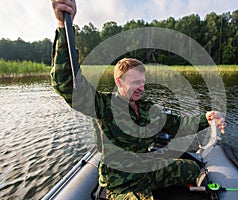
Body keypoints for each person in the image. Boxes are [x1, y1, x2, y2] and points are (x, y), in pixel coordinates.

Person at [51, 0, 226, 199]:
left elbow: (178, 124)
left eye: (143, 82)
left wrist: (208, 117)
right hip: (121, 183)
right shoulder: (103, 105)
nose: (141, 87)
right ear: (119, 81)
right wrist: (62, 26)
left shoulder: (149, 109)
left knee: (192, 168)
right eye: (135, 82)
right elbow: (65, 84)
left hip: (147, 170)